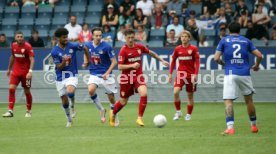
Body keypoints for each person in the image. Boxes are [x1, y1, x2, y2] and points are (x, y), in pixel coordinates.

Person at [110, 29, 169, 127]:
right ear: (125, 38)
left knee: (144, 93)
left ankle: (139, 118)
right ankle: (113, 113)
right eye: (128, 38)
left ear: (134, 37)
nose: (130, 40)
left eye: (132, 37)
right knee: (123, 102)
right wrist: (132, 65)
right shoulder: (123, 50)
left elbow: (150, 52)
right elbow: (120, 67)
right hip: (126, 78)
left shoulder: (139, 47)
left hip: (138, 76)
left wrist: (161, 60)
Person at [214, 22, 263, 135]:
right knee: (249, 100)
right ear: (240, 30)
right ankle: (254, 126)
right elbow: (260, 55)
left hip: (230, 73)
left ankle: (230, 128)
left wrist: (223, 63)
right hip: (245, 73)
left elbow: (216, 58)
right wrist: (256, 66)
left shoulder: (224, 40)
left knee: (228, 100)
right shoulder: (246, 41)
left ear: (228, 30)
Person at [50, 28, 89, 127]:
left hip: (71, 74)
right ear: (59, 38)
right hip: (60, 77)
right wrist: (63, 61)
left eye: (67, 37)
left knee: (70, 92)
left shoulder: (72, 45)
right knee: (64, 100)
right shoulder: (54, 51)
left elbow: (84, 48)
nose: (66, 39)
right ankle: (69, 119)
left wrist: (88, 61)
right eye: (64, 37)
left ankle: (73, 105)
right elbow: (59, 67)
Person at [83, 27, 119, 126]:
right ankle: (102, 110)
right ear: (92, 36)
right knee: (90, 90)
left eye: (100, 35)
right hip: (94, 73)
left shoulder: (107, 46)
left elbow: (114, 62)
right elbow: (85, 53)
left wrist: (107, 73)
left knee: (111, 98)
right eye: (96, 35)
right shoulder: (88, 45)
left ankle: (114, 115)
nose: (98, 37)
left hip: (106, 74)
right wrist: (86, 62)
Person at [168, 30, 200, 121]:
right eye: (182, 36)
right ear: (180, 38)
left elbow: (197, 62)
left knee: (190, 96)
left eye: (186, 36)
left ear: (189, 38)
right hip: (180, 74)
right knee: (175, 92)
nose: (184, 38)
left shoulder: (193, 49)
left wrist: (195, 74)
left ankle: (188, 114)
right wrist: (170, 74)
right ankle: (178, 112)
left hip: (191, 75)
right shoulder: (177, 49)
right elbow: (173, 61)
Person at [2, 31, 35, 118]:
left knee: (27, 91)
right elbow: (12, 57)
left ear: (23, 37)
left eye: (21, 36)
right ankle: (10, 111)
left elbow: (32, 59)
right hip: (16, 72)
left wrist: (30, 71)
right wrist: (9, 69)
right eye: (18, 36)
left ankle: (29, 111)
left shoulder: (28, 46)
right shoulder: (13, 45)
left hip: (26, 74)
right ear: (15, 38)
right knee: (11, 89)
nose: (20, 38)